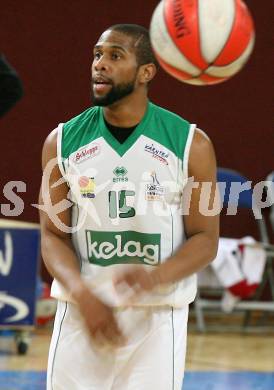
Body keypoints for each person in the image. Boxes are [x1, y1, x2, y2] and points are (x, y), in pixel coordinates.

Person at [39, 24, 219, 390]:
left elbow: (206, 238)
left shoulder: (190, 144)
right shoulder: (60, 142)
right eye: (97, 55)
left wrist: (154, 277)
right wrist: (83, 293)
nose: (99, 65)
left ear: (146, 72)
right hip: (79, 316)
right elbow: (51, 235)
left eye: (115, 56)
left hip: (157, 319)